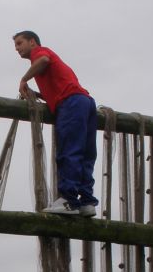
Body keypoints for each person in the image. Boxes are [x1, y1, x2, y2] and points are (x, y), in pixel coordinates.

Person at [14, 31, 98, 217]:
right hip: (86, 102)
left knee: (69, 150)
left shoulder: (40, 53)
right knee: (85, 153)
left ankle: (69, 200)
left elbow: (43, 60)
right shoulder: (47, 62)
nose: (17, 49)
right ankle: (87, 202)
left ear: (32, 42)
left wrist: (24, 79)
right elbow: (59, 86)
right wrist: (37, 94)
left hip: (71, 104)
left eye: (20, 43)